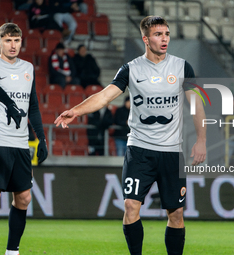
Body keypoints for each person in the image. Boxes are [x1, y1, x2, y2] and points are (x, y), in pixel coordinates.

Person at [55, 16, 206, 255]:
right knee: (130, 205)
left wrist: (201, 140)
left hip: (171, 152)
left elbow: (196, 105)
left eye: (166, 34)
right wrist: (75, 110)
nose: (164, 38)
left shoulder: (182, 67)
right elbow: (105, 96)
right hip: (139, 151)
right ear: (146, 39)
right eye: (158, 34)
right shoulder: (131, 69)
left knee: (176, 213)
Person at [0, 23, 48, 255]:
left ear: (21, 42)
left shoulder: (28, 68)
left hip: (21, 144)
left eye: (16, 40)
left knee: (23, 198)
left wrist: (41, 139)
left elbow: (33, 105)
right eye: (7, 40)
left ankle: (12, 251)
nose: (12, 45)